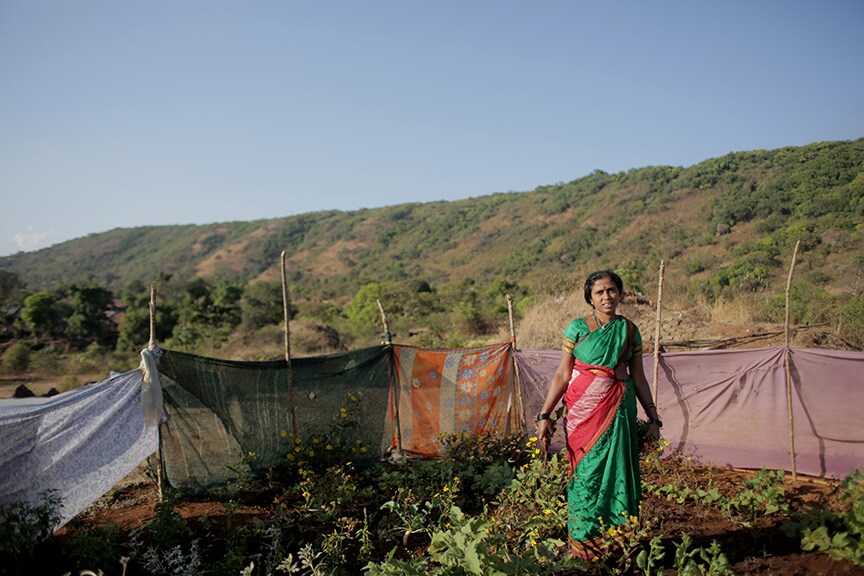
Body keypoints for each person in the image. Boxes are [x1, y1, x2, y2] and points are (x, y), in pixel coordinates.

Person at [535, 269, 661, 559]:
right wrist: (545, 415)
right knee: (585, 473)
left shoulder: (629, 331)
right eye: (599, 292)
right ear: (590, 298)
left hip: (618, 409)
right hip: (583, 413)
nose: (607, 296)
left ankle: (617, 544)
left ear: (620, 293)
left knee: (618, 472)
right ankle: (583, 545)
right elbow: (562, 374)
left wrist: (653, 418)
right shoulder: (577, 328)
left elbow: (639, 377)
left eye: (611, 290)